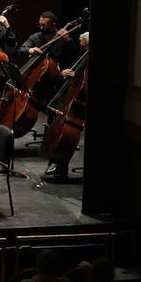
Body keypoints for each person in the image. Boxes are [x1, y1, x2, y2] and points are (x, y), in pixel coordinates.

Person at [42, 31, 89, 182]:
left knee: (69, 134)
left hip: (84, 106)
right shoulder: (82, 55)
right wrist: (65, 72)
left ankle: (60, 164)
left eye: (85, 47)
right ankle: (59, 165)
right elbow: (71, 70)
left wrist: (76, 77)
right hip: (71, 102)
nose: (83, 50)